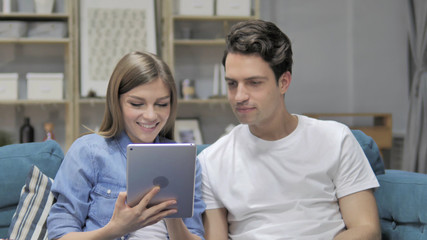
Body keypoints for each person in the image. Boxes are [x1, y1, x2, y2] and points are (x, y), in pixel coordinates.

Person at [199, 19, 381, 240]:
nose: (239, 97)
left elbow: (366, 229)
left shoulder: (335, 139)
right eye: (232, 84)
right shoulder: (211, 161)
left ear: (284, 82)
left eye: (254, 83)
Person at [47, 51, 205, 240]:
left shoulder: (186, 162)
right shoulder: (88, 152)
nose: (150, 115)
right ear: (117, 102)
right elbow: (59, 235)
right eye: (137, 104)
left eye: (162, 104)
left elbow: (196, 235)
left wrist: (172, 215)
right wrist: (115, 229)